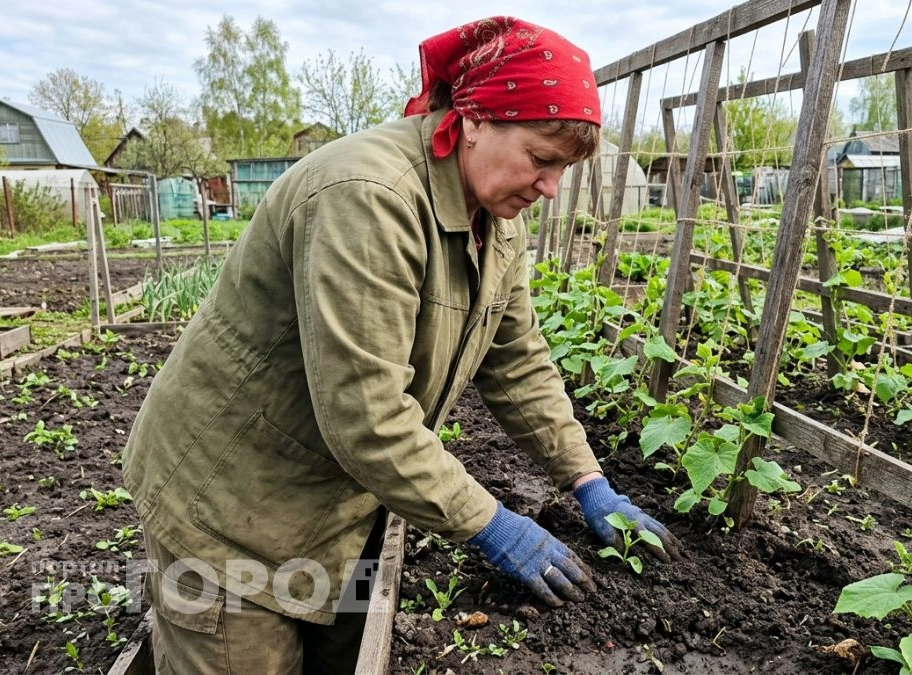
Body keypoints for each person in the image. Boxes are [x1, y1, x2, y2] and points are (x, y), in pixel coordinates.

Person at [123, 15, 680, 674]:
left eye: (562, 168)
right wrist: (489, 522)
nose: (551, 187)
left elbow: (518, 359)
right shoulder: (369, 196)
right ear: (475, 119)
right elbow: (367, 414)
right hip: (228, 508)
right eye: (542, 158)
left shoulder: (495, 218)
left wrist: (587, 480)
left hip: (336, 500)